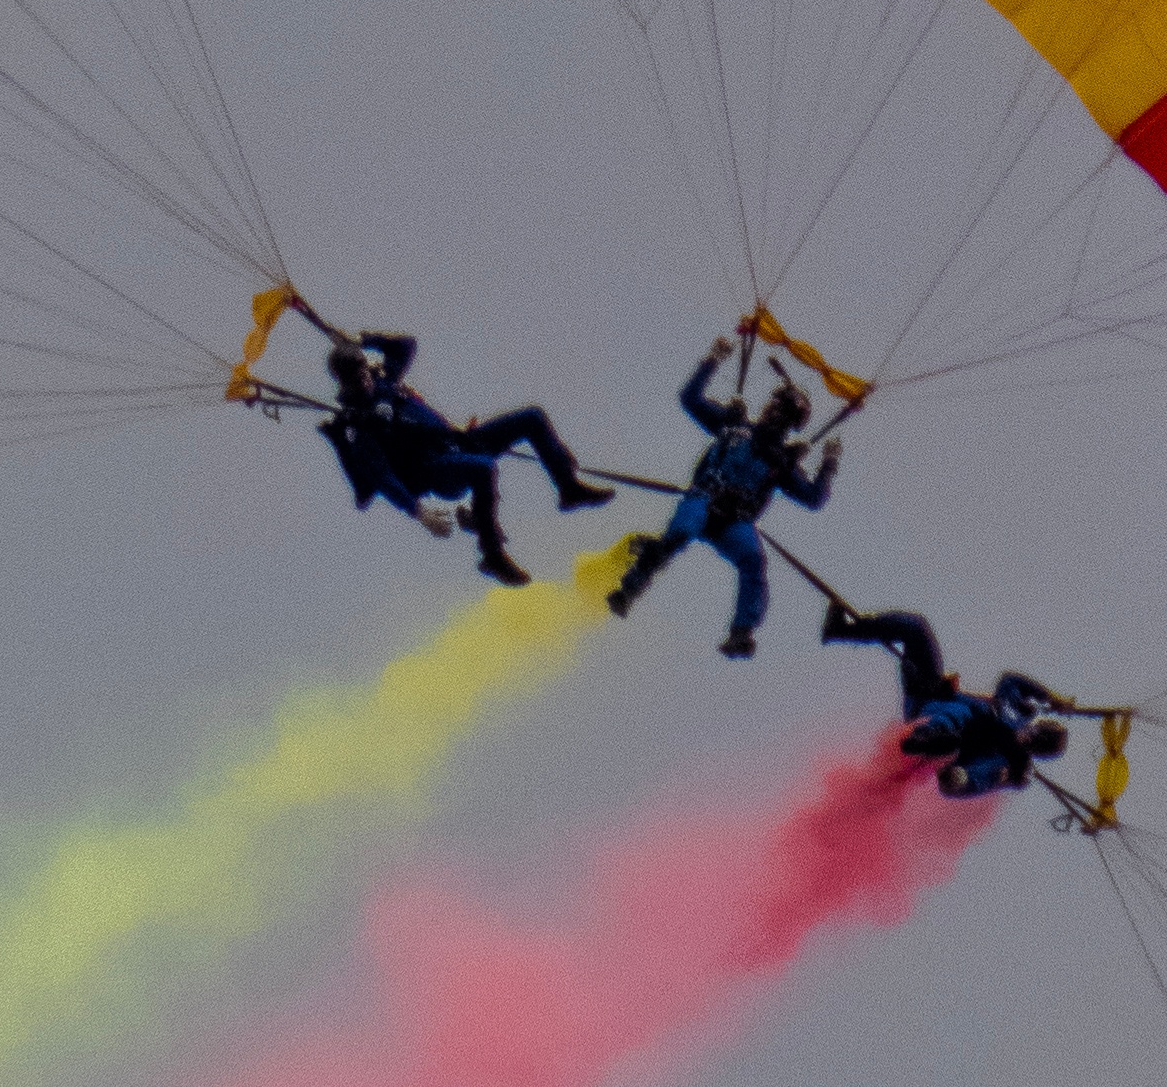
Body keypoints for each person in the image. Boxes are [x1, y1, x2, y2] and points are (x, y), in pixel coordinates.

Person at [320, 330, 615, 586]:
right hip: (433, 469)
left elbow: (406, 346)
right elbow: (380, 474)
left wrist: (363, 339)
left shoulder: (383, 382)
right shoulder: (355, 424)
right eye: (358, 381)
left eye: (365, 375)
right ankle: (492, 554)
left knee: (532, 417)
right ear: (345, 385)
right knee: (483, 469)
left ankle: (568, 487)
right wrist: (417, 511)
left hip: (459, 444)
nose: (365, 383)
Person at [607, 348, 838, 657]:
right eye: (773, 406)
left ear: (790, 423)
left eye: (781, 412)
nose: (772, 413)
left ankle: (742, 633)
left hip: (734, 522)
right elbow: (690, 398)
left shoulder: (782, 463)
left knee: (754, 560)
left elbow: (813, 498)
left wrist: (828, 465)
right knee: (683, 530)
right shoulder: (734, 426)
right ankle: (629, 589)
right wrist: (713, 359)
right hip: (704, 498)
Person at [819, 599, 1070, 797]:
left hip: (941, 731)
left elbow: (980, 778)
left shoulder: (1007, 760)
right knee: (916, 628)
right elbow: (1011, 681)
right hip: (928, 694)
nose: (1030, 737)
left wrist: (958, 779)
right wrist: (1049, 697)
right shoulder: (1013, 711)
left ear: (1036, 752)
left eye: (1037, 743)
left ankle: (927, 739)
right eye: (1037, 732)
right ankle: (840, 630)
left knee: (959, 721)